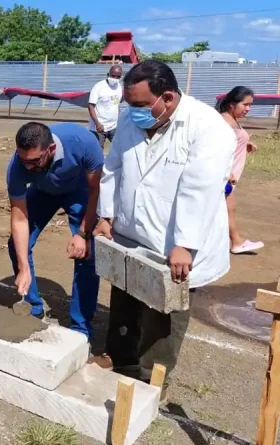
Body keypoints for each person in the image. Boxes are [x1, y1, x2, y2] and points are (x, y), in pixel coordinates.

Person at [93, 60, 235, 396]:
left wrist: (184, 243)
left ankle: (152, 379)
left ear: (167, 97)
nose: (133, 111)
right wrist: (105, 215)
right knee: (125, 297)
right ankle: (121, 359)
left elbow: (198, 188)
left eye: (141, 104)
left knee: (165, 313)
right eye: (130, 104)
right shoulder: (131, 119)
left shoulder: (208, 128)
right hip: (132, 231)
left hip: (178, 243)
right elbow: (113, 168)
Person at [7, 122, 103, 338]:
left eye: (34, 161)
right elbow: (20, 218)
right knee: (16, 245)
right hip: (43, 192)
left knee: (88, 253)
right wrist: (23, 267)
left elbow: (96, 189)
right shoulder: (18, 166)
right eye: (23, 161)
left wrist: (83, 233)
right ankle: (32, 309)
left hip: (80, 190)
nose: (28, 167)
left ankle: (80, 327)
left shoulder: (83, 142)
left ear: (50, 149)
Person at [216, 86, 264, 255]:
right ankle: (236, 241)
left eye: (250, 105)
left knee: (224, 209)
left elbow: (233, 141)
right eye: (245, 104)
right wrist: (225, 172)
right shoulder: (223, 122)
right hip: (223, 176)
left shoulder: (231, 120)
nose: (248, 109)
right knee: (228, 208)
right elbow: (215, 149)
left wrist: (246, 144)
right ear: (231, 104)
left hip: (226, 176)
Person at [88, 65, 123, 148]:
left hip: (114, 126)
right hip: (99, 127)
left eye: (118, 76)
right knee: (98, 152)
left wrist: (119, 119)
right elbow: (90, 106)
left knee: (120, 148)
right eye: (113, 75)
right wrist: (97, 123)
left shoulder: (119, 87)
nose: (115, 78)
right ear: (108, 74)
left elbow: (116, 104)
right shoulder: (98, 87)